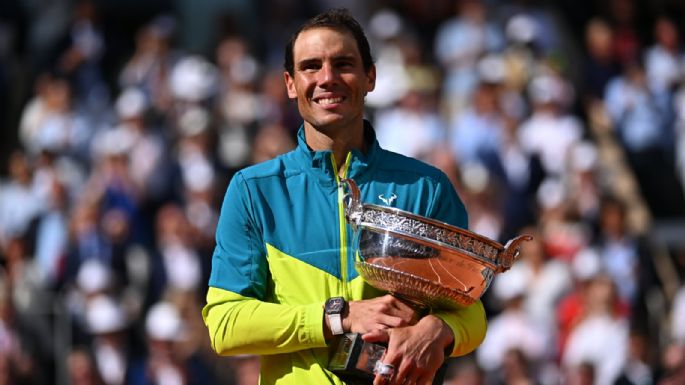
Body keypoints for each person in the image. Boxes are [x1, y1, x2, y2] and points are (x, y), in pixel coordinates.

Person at [202, 9, 487, 385]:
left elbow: (470, 311)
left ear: (370, 76)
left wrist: (437, 329)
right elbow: (226, 325)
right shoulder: (254, 190)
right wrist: (339, 315)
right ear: (290, 83)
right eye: (310, 66)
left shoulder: (427, 186)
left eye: (343, 64)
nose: (327, 78)